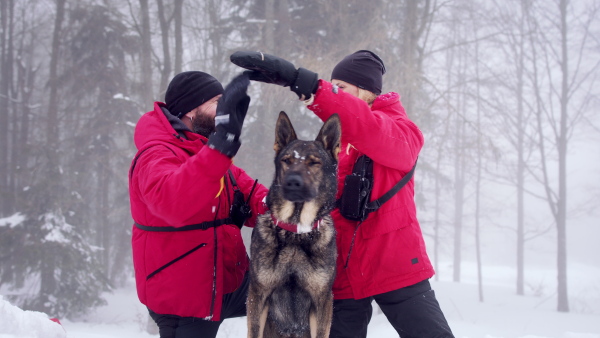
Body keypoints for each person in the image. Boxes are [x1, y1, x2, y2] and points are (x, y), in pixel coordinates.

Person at [231, 50, 454, 338]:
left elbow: (368, 128)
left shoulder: (401, 132)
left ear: (367, 91)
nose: (335, 92)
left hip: (394, 266)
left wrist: (309, 86)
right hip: (343, 273)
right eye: (332, 86)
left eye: (341, 88)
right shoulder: (341, 143)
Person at [128, 71, 268, 338]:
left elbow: (254, 196)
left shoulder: (207, 152)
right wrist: (219, 149)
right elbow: (173, 204)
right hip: (184, 294)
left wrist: (297, 206)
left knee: (289, 295)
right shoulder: (155, 154)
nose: (224, 111)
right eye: (217, 102)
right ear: (191, 110)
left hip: (229, 281)